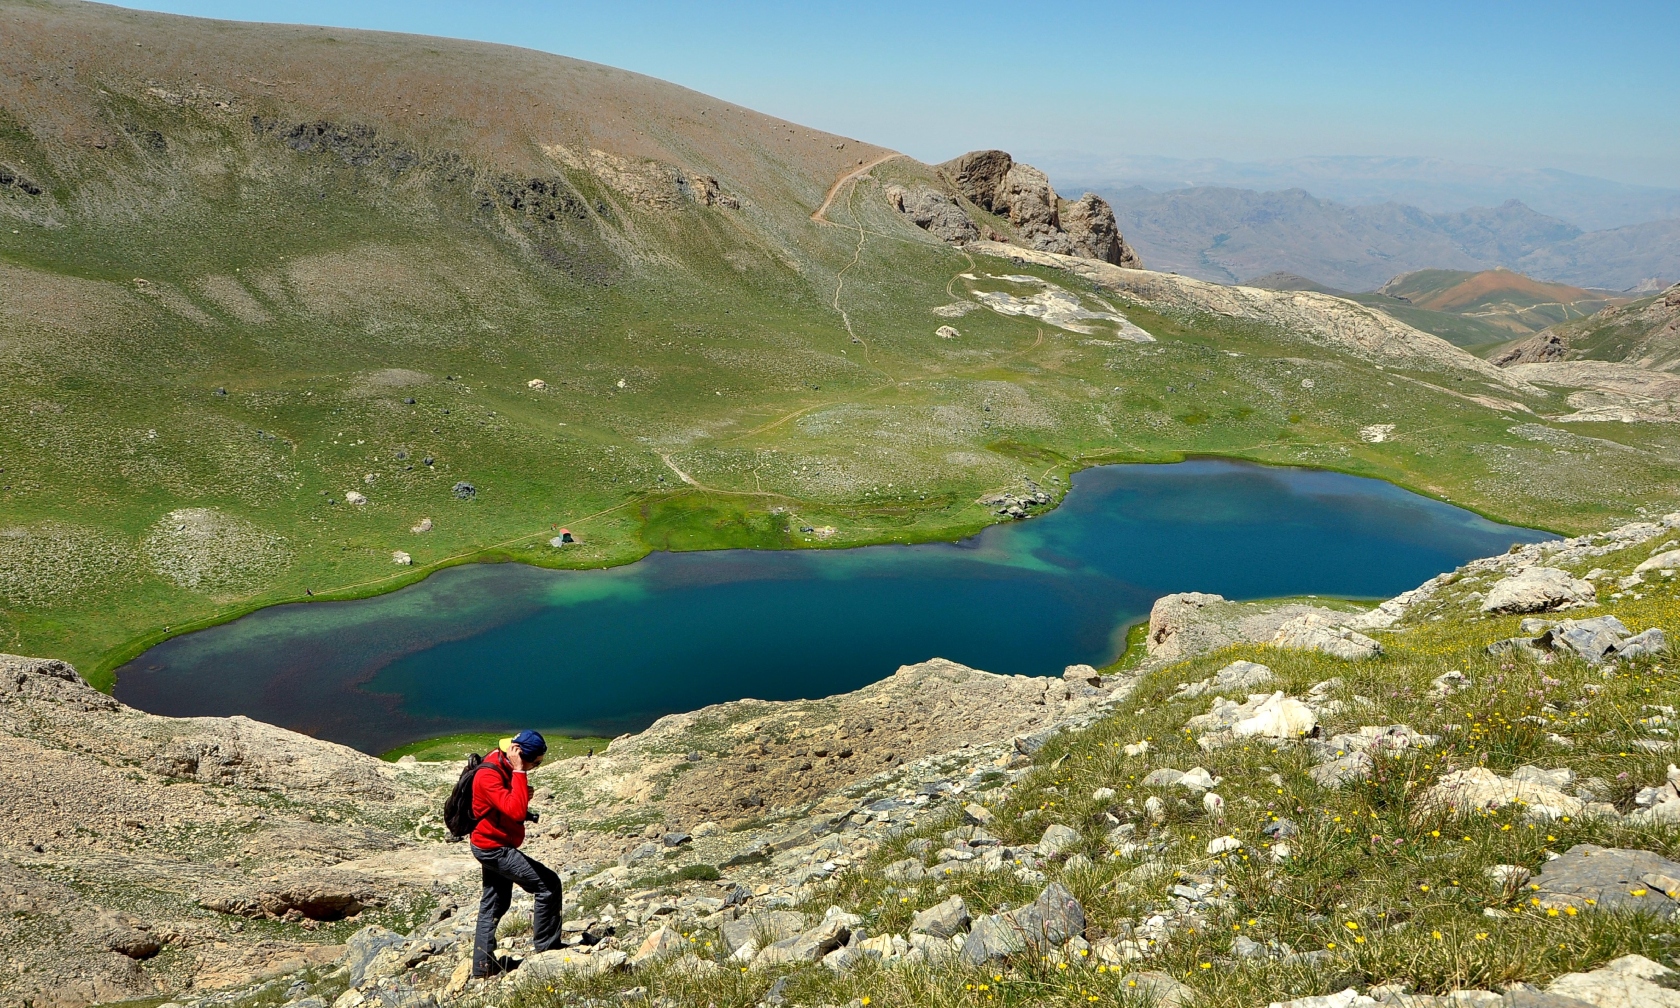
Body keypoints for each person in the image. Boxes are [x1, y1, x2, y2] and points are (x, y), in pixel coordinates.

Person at [470, 729, 562, 978]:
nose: (535, 767)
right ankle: (547, 948)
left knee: (495, 903)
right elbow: (515, 811)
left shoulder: (503, 761)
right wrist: (520, 774)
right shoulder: (489, 774)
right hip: (493, 848)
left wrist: (519, 785)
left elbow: (508, 801)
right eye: (535, 763)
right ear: (520, 755)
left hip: (492, 844)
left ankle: (482, 968)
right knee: (548, 885)